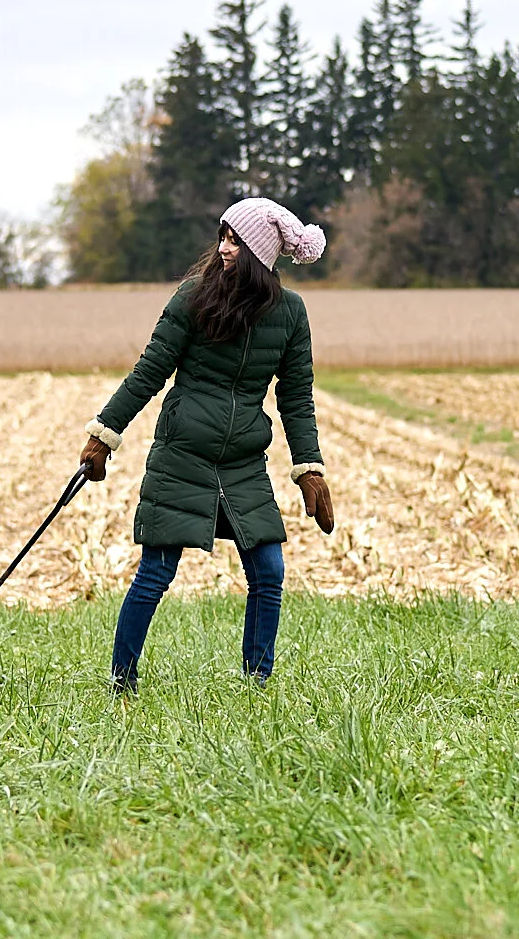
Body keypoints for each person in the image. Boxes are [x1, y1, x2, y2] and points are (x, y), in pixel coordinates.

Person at [78, 197, 337, 689]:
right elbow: (149, 371)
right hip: (182, 454)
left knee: (269, 571)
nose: (222, 248)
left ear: (259, 253)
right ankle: (121, 681)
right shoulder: (193, 297)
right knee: (156, 572)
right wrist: (103, 436)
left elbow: (296, 397)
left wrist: (309, 469)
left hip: (243, 462)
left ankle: (257, 682)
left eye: (235, 241)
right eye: (222, 237)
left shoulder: (290, 313)